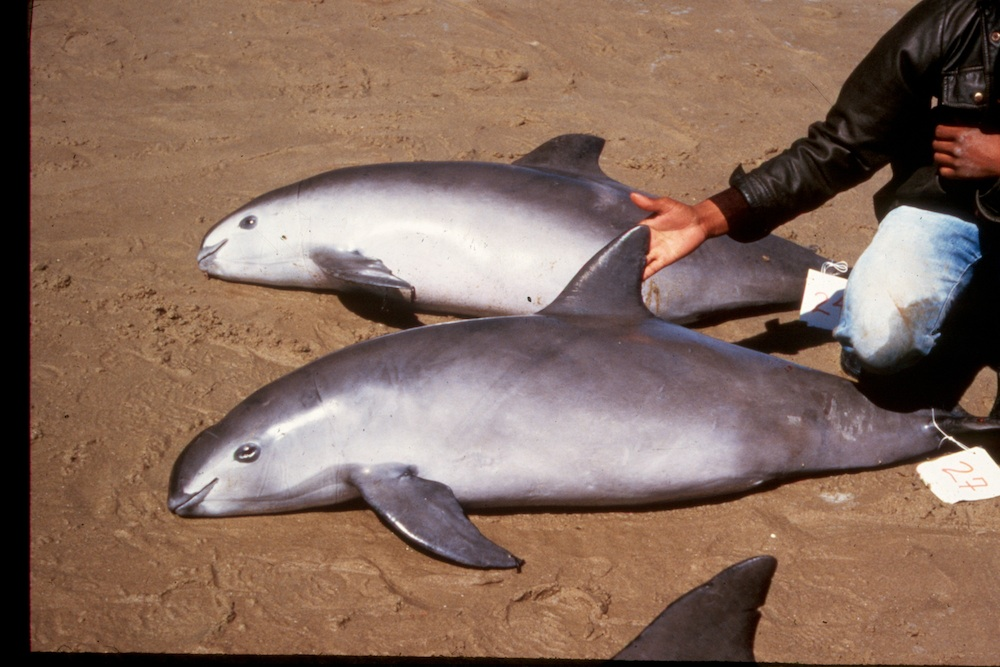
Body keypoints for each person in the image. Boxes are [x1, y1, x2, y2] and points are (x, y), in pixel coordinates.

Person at [635, 0, 1000, 412]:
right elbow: (843, 143)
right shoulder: (958, 17)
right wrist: (707, 217)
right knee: (878, 341)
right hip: (952, 209)